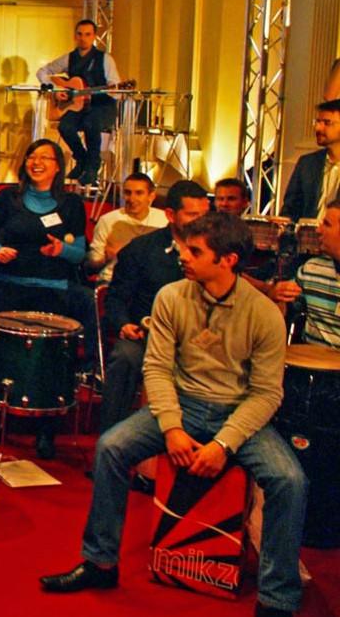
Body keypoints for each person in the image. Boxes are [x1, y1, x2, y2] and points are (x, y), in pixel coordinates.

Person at [40, 213, 307, 617]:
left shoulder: (264, 313)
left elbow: (267, 394)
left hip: (238, 413)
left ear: (228, 260)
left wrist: (224, 444)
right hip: (182, 405)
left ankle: (277, 598)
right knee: (111, 447)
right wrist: (172, 428)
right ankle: (100, 562)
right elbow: (157, 369)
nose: (182, 256)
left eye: (194, 251)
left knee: (290, 480)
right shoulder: (170, 296)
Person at [0, 138, 92, 459]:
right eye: (31, 156)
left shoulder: (71, 204)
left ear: (58, 166)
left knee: (48, 361)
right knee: (3, 357)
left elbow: (80, 252)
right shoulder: (7, 198)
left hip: (52, 291)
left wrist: (61, 250)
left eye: (44, 157)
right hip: (10, 288)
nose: (36, 162)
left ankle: (46, 430)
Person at [101, 180, 209, 431]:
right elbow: (115, 298)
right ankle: (112, 438)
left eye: (205, 215)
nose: (202, 222)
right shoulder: (140, 249)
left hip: (200, 339)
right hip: (147, 336)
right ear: (170, 215)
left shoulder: (215, 251)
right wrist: (124, 324)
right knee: (125, 357)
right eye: (193, 215)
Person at [36, 20, 123, 185]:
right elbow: (42, 72)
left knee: (91, 123)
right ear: (75, 36)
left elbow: (116, 88)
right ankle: (81, 158)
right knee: (65, 126)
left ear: (94, 36)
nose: (83, 38)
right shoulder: (69, 58)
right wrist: (56, 89)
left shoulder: (105, 59)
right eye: (80, 34)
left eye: (88, 34)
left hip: (102, 107)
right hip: (78, 107)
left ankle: (93, 165)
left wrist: (112, 90)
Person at [274, 195, 340, 350]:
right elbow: (284, 304)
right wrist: (278, 298)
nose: (318, 230)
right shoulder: (311, 269)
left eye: (326, 224)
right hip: (311, 360)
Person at [86, 172, 167, 283]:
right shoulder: (107, 220)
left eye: (139, 193)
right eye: (128, 193)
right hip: (113, 281)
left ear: (151, 196)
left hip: (152, 284)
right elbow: (92, 266)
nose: (132, 199)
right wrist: (107, 259)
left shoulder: (164, 220)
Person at [282, 99, 340, 220]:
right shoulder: (307, 164)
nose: (318, 128)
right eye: (317, 122)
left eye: (327, 123)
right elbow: (290, 210)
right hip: (307, 231)